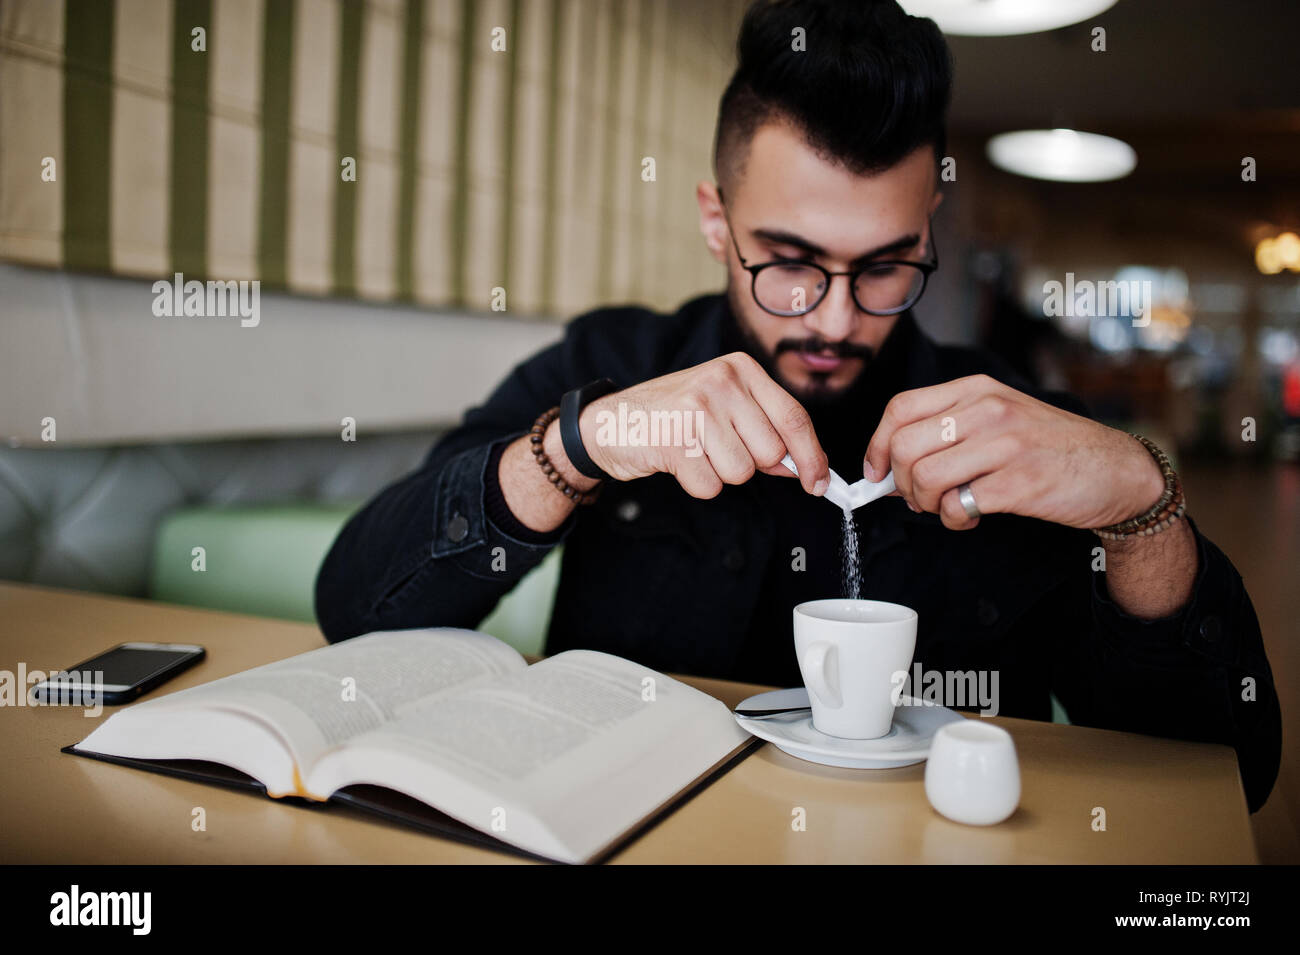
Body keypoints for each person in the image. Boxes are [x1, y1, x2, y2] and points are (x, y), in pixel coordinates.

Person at [315, 0, 1280, 812]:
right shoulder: (612, 363)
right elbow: (353, 607)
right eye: (787, 262)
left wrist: (1135, 497)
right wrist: (578, 446)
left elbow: (1228, 774)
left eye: (885, 266)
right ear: (714, 220)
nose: (833, 319)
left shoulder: (1017, 425)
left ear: (926, 227)